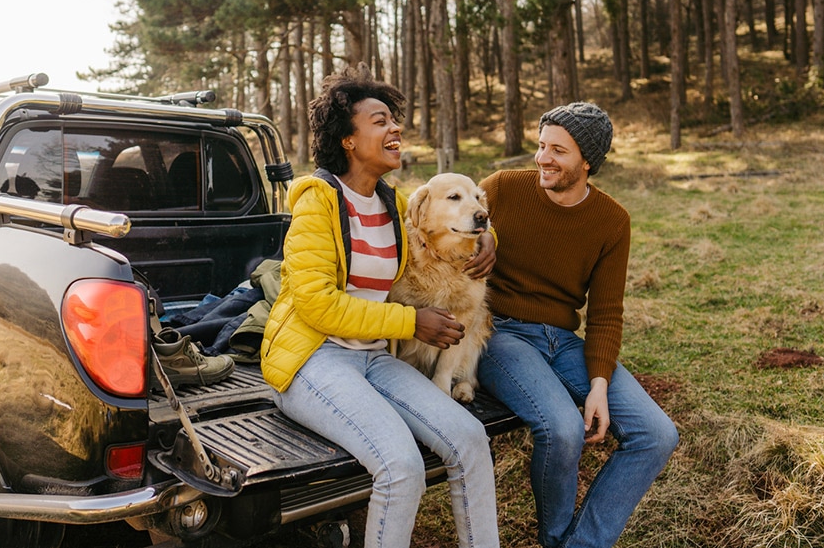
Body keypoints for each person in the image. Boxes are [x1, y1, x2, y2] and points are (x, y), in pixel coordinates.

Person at [261, 67, 500, 548]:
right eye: (379, 121)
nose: (395, 129)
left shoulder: (393, 202)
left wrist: (489, 234)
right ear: (348, 139)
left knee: (472, 441)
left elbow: (451, 212)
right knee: (401, 464)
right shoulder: (318, 202)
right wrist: (412, 321)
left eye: (395, 120)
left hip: (374, 356)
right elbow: (316, 305)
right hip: (314, 358)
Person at [476, 102, 678, 548]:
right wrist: (483, 234)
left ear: (587, 161)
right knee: (563, 429)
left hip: (563, 340)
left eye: (558, 151)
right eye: (541, 145)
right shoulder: (503, 188)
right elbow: (451, 218)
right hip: (500, 332)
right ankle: (557, 539)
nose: (542, 159)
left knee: (657, 435)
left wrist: (599, 385)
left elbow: (606, 312)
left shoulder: (611, 221)